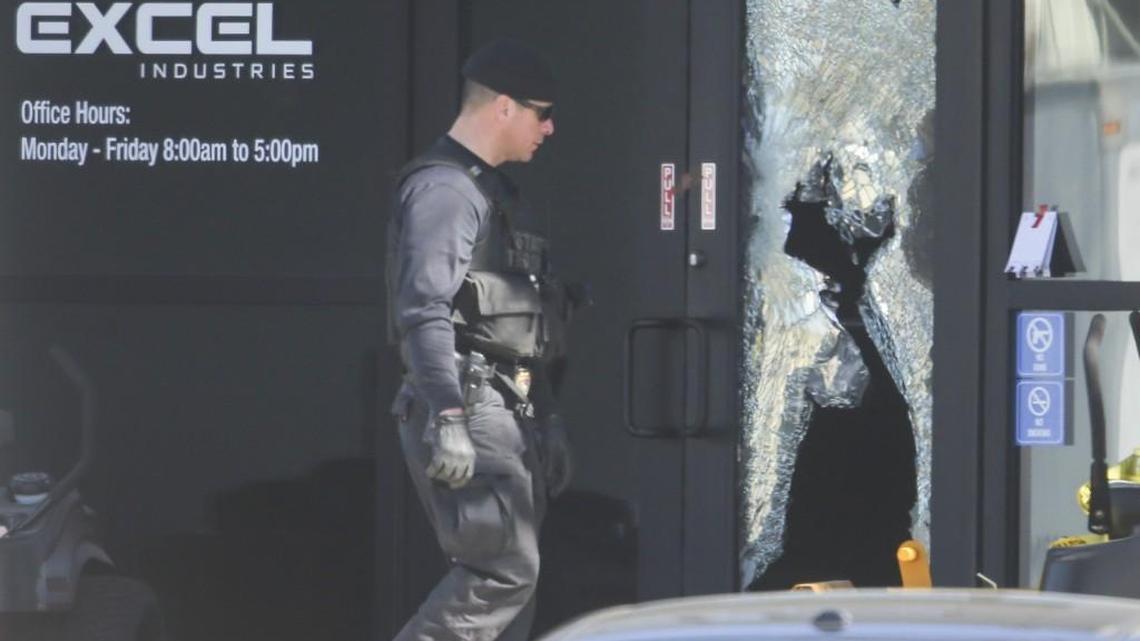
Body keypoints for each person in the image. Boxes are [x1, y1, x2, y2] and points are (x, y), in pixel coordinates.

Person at [386, 39, 578, 641]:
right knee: (502, 574)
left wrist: (547, 419)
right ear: (502, 107)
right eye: (539, 112)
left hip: (503, 407)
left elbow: (517, 328)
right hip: (467, 403)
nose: (549, 128)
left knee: (514, 592)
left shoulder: (488, 193)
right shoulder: (446, 192)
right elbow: (424, 311)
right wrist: (447, 413)